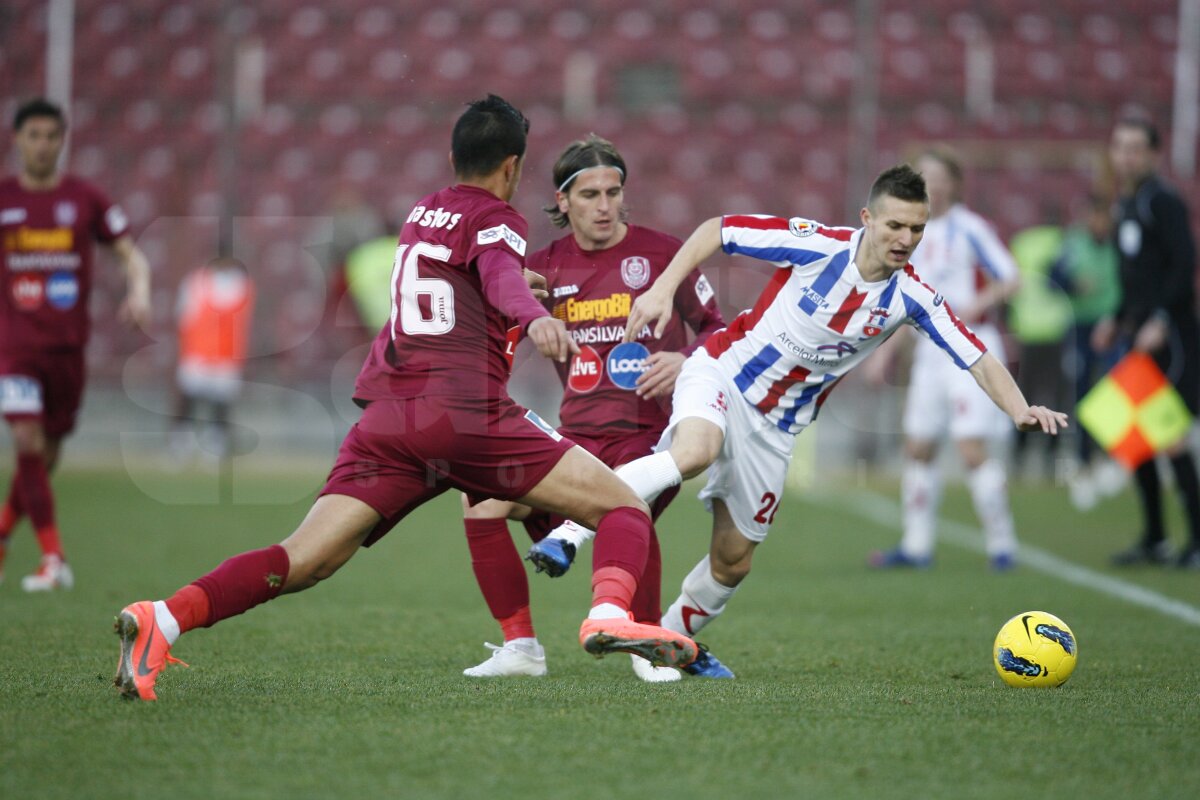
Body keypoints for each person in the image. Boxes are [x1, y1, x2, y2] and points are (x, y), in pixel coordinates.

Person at [112, 95, 697, 701]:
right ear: (513, 168)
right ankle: (607, 615)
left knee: (304, 559)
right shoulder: (500, 219)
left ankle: (166, 617)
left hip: (390, 419)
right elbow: (497, 273)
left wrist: (508, 288)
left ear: (452, 157)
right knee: (624, 506)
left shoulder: (422, 213)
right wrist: (531, 312)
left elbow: (470, 277)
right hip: (466, 414)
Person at [533, 165, 1067, 670]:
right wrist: (661, 289)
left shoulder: (912, 297)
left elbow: (975, 355)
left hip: (776, 429)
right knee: (694, 451)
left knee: (732, 562)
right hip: (723, 373)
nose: (905, 239)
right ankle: (569, 534)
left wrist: (1020, 409)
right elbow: (718, 229)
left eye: (916, 229)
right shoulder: (817, 245)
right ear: (867, 219)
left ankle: (670, 639)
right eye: (895, 225)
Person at [459, 135, 727, 682]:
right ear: (563, 202)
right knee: (481, 499)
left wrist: (686, 360)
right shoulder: (541, 269)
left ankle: (643, 640)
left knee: (629, 502)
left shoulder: (662, 256)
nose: (605, 205)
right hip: (574, 438)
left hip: (646, 436)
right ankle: (521, 649)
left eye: (614, 191)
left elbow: (720, 331)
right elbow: (487, 338)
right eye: (589, 194)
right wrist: (530, 323)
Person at [0, 98, 151, 590]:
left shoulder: (85, 198)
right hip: (15, 347)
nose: (43, 145)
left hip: (67, 349)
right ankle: (53, 559)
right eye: (34, 136)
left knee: (46, 456)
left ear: (62, 140)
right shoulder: (4, 198)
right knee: (25, 440)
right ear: (18, 139)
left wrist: (139, 291)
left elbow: (132, 255)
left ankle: (2, 534)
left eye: (51, 136)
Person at [867, 148, 1022, 571]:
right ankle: (917, 547)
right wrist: (886, 353)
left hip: (971, 345)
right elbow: (906, 300)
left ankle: (1002, 545)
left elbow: (1011, 277)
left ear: (954, 183)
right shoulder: (910, 232)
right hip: (930, 351)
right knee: (918, 446)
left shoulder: (971, 229)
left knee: (971, 448)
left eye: (939, 176)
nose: (932, 184)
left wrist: (974, 306)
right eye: (925, 176)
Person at [1093, 117, 1200, 568]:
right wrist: (1116, 318)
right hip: (1137, 334)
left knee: (1168, 436)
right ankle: (1155, 538)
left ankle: (1195, 541)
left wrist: (1158, 318)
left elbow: (1183, 265)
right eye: (1120, 146)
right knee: (1130, 432)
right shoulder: (1126, 204)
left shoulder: (1163, 201)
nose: (1127, 155)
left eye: (1136, 147)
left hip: (1170, 336)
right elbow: (1134, 276)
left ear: (1153, 154)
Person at [1048, 192, 1123, 510]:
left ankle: (1112, 460)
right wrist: (1073, 285)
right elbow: (1052, 280)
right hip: (1080, 328)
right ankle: (1083, 465)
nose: (1098, 222)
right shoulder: (1073, 244)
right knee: (1082, 396)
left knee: (1113, 393)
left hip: (1113, 327)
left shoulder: (1121, 245)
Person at [170, 256, 256, 464]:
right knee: (188, 399)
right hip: (198, 353)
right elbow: (183, 317)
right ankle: (182, 442)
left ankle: (214, 445)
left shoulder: (241, 287)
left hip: (225, 357)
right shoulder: (196, 283)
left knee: (220, 404)